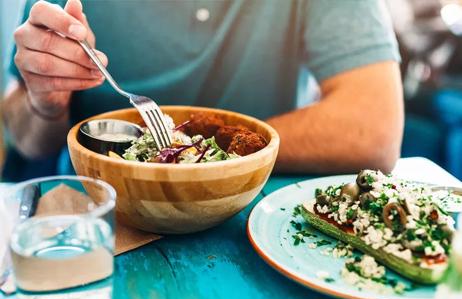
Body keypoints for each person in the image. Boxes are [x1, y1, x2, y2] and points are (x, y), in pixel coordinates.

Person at [2, 0, 403, 178]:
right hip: (95, 216)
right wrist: (46, 102)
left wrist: (205, 157)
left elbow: (373, 130)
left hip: (254, 215)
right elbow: (26, 140)